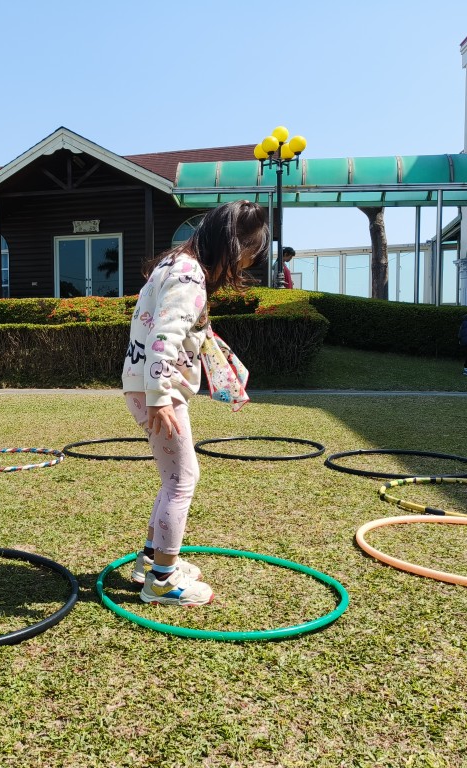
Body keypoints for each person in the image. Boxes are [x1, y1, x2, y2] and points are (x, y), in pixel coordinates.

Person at [122, 200, 269, 606]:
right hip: (158, 392)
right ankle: (162, 581)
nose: (247, 265)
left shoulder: (174, 264)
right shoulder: (189, 275)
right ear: (233, 246)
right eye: (249, 255)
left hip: (149, 388)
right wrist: (160, 398)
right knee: (182, 481)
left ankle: (149, 561)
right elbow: (165, 335)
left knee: (173, 478)